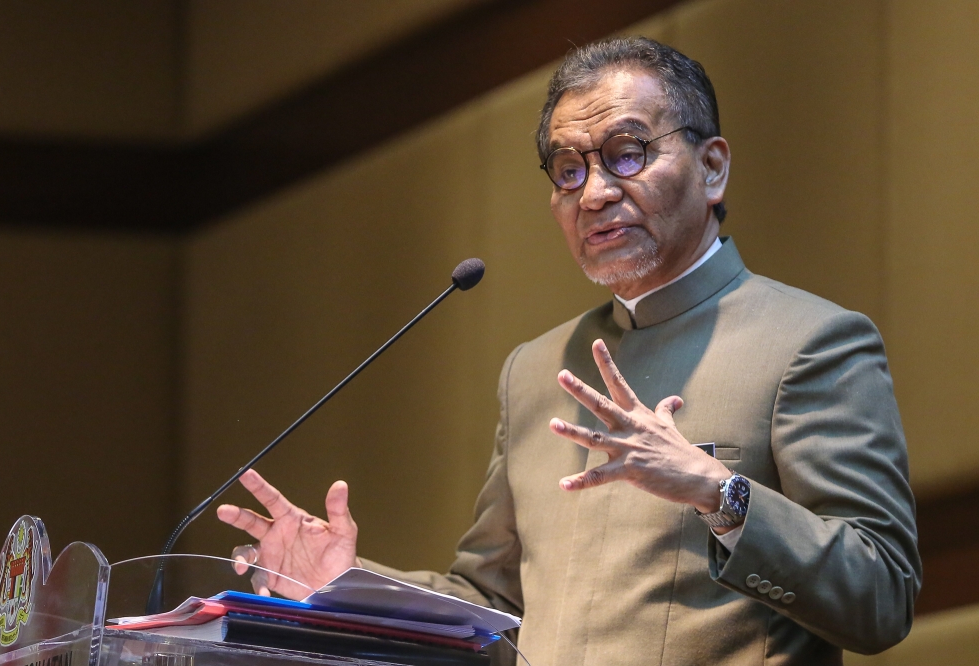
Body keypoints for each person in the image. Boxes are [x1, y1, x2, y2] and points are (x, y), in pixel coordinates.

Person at [217, 37, 921, 665]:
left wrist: (719, 494)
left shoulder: (809, 341)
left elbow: (883, 599)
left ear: (711, 168)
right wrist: (349, 585)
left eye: (627, 153)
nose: (595, 193)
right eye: (568, 170)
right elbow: (491, 605)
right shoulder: (535, 368)